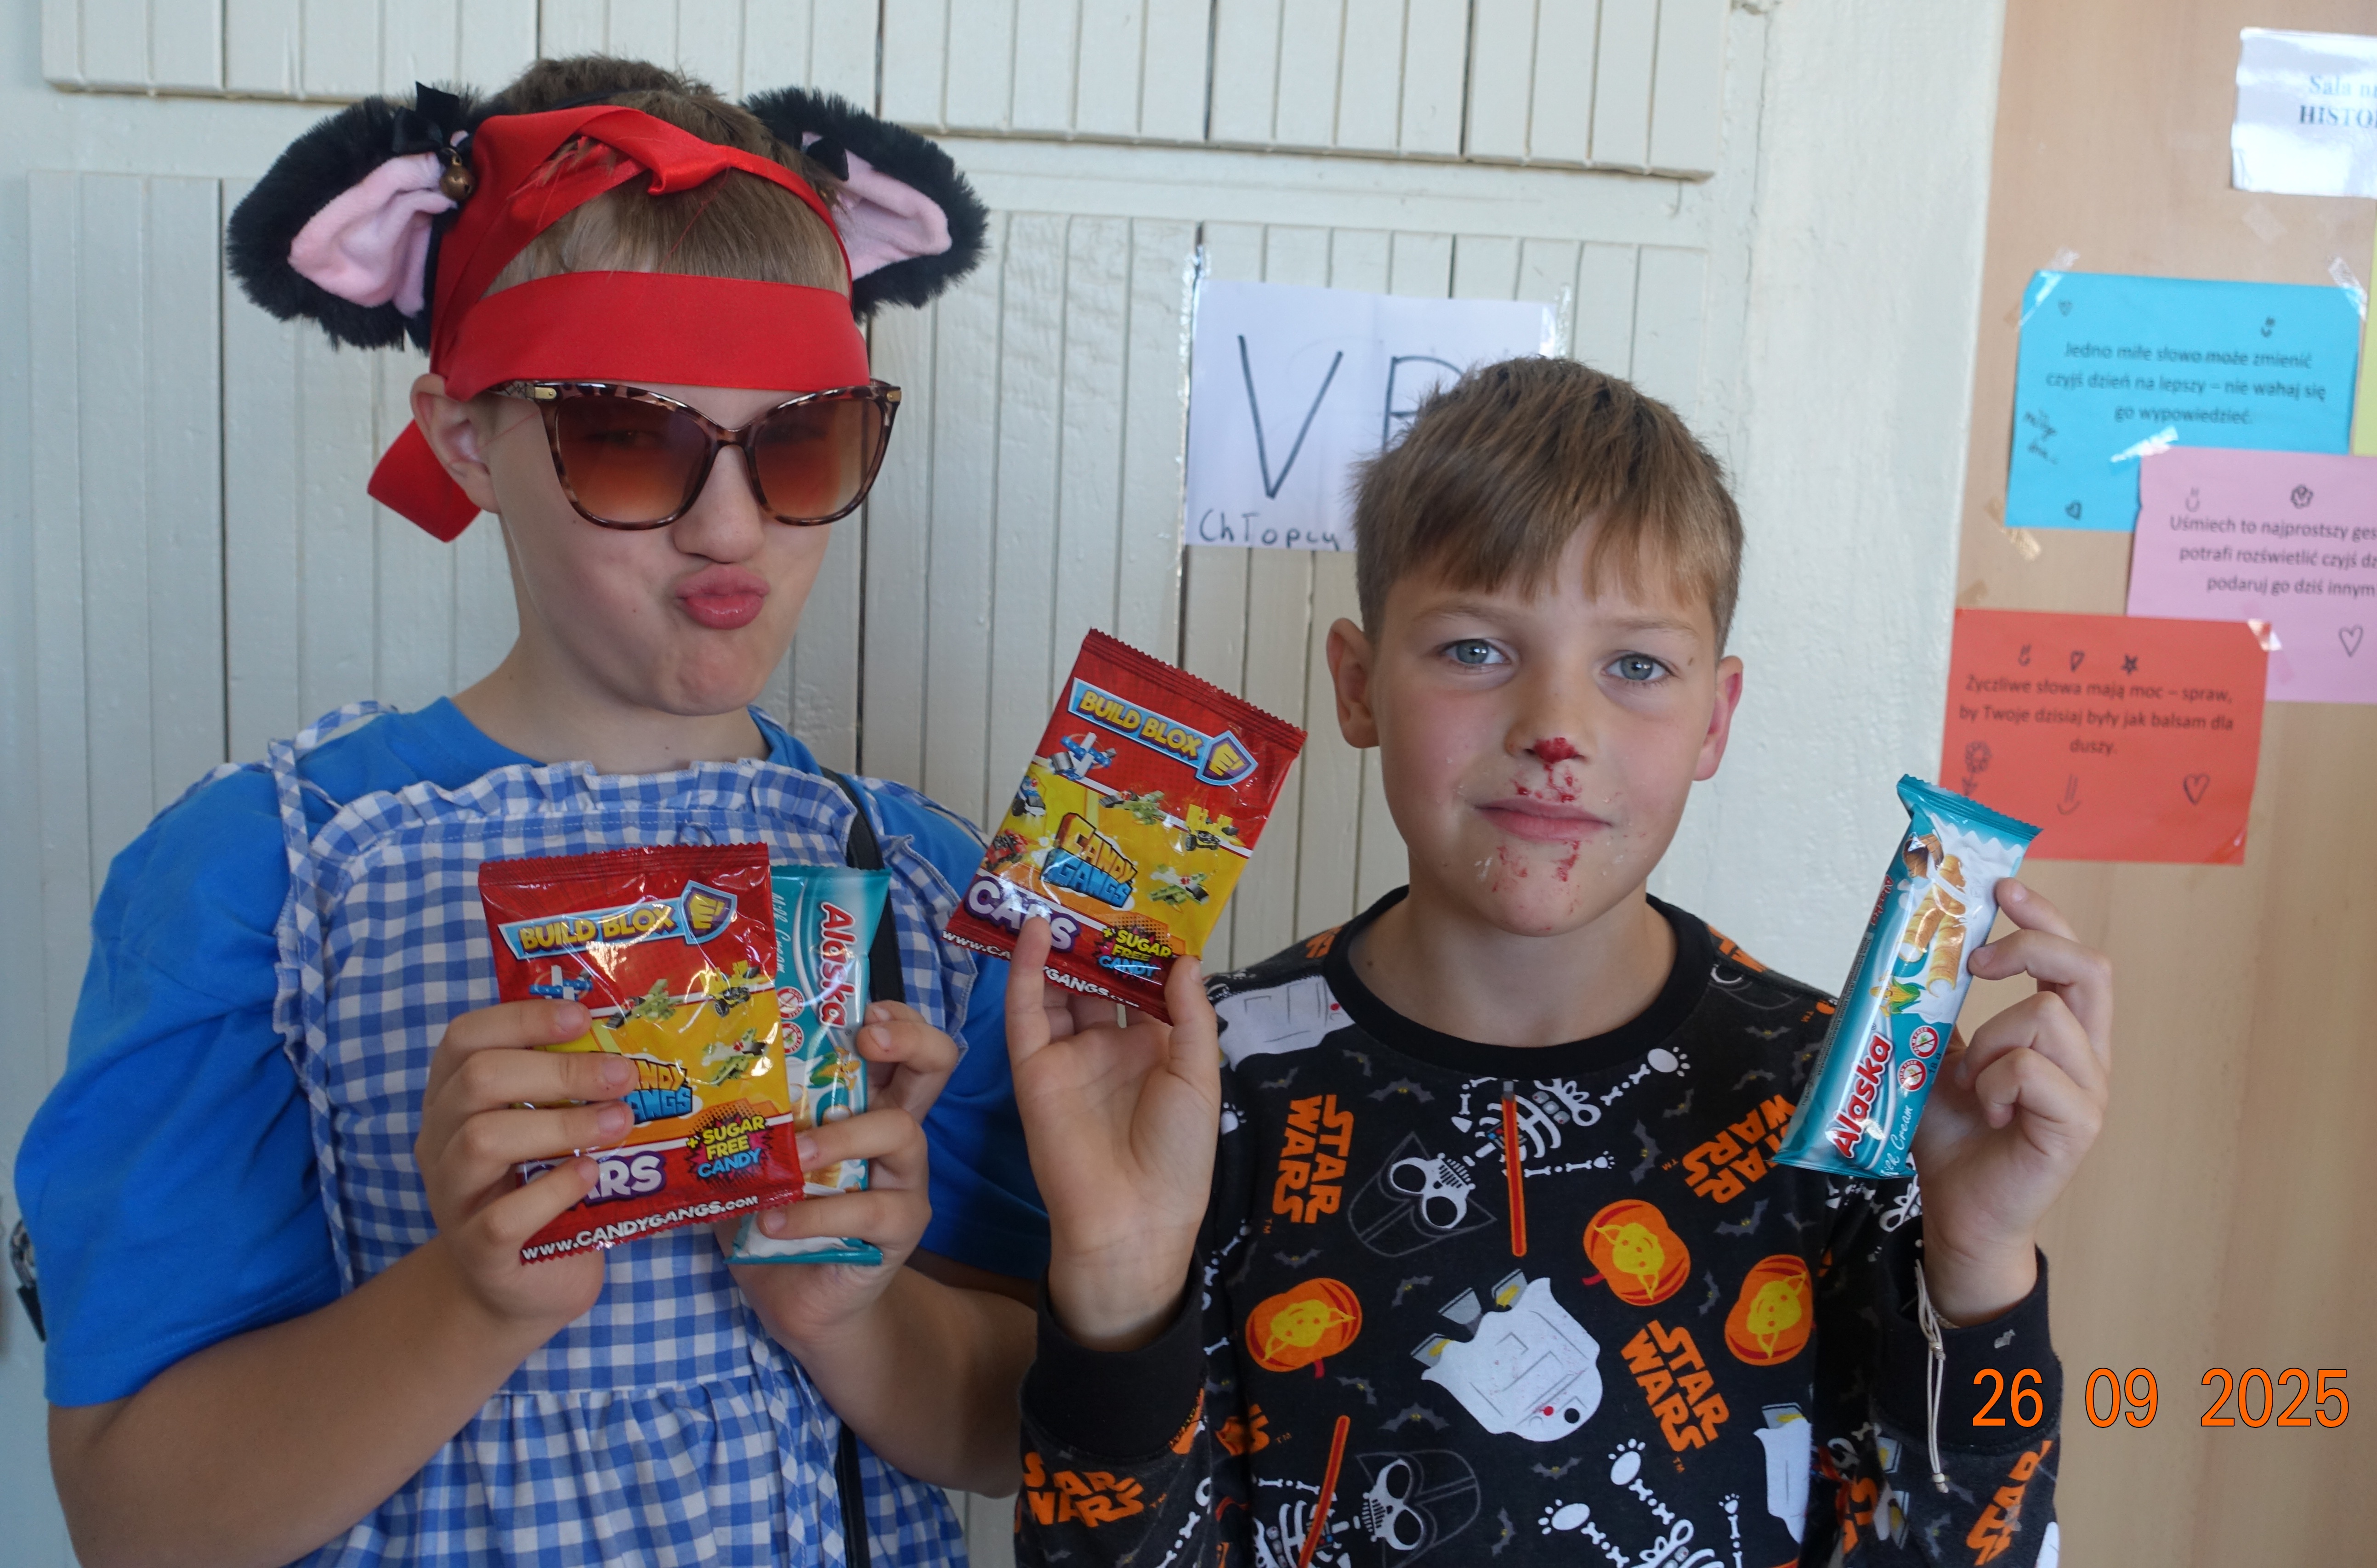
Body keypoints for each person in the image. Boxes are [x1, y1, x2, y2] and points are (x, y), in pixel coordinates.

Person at [17, 57, 1039, 1568]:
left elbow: (1019, 1434)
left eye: (800, 440)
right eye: (632, 438)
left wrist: (854, 1322)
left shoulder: (923, 881)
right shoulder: (269, 877)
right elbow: (137, 1519)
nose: (732, 527)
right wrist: (471, 1297)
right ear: (462, 439)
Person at [1003, 358, 2108, 1566]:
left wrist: (1978, 1263)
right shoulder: (1199, 1088)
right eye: (1477, 649)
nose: (1556, 730)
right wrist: (1117, 1283)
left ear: (1716, 719)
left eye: (1636, 665)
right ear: (1359, 687)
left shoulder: (1848, 1102)